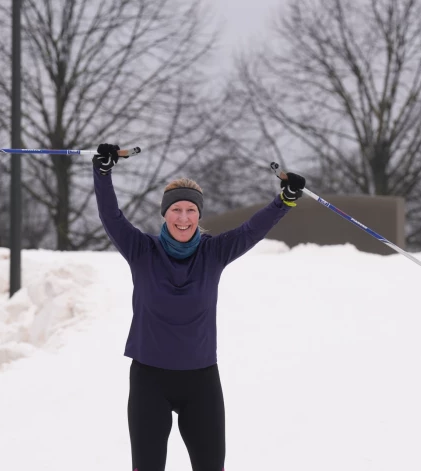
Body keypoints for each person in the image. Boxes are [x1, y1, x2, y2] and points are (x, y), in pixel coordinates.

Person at [92, 143, 306, 471]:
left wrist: (285, 200)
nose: (183, 217)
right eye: (176, 210)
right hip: (150, 379)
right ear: (165, 214)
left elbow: (252, 230)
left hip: (201, 381)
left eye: (191, 211)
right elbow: (111, 217)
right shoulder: (141, 250)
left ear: (199, 215)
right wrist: (103, 173)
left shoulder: (213, 253)